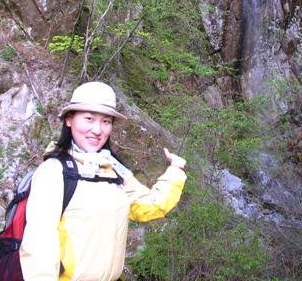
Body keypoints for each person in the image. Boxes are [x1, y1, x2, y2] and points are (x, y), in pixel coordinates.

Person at [19, 81, 187, 281]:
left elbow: (150, 205)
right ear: (69, 119)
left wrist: (175, 170)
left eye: (106, 121)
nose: (97, 130)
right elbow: (39, 243)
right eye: (89, 119)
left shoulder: (113, 171)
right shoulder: (54, 171)